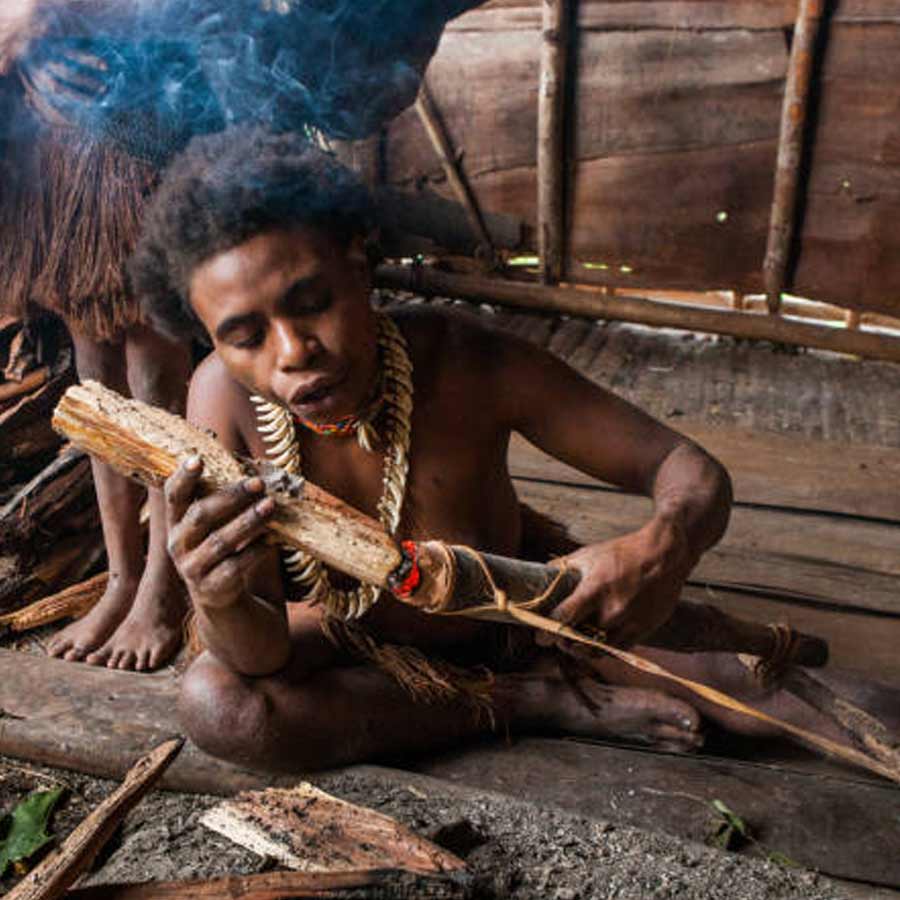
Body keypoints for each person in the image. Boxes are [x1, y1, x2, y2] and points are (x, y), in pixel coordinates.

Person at [130, 127, 899, 773]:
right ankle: (533, 704)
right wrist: (217, 598)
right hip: (358, 650)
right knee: (217, 703)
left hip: (524, 613)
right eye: (246, 335)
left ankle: (546, 678)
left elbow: (687, 468)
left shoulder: (471, 361)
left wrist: (665, 544)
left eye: (312, 303)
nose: (293, 350)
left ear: (359, 270)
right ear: (214, 341)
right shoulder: (220, 401)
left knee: (803, 700)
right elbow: (259, 657)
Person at [0, 10, 191, 671]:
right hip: (48, 129)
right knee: (93, 356)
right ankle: (124, 577)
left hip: (142, 105)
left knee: (152, 363)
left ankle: (167, 588)